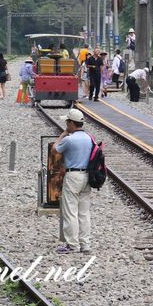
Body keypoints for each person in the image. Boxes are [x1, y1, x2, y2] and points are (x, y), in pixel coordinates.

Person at [54, 108, 94, 254]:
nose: (66, 124)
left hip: (73, 177)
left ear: (71, 123)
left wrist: (62, 135)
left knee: (70, 212)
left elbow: (54, 150)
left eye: (67, 122)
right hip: (87, 177)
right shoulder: (89, 138)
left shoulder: (69, 139)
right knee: (84, 213)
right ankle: (86, 245)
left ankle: (72, 245)